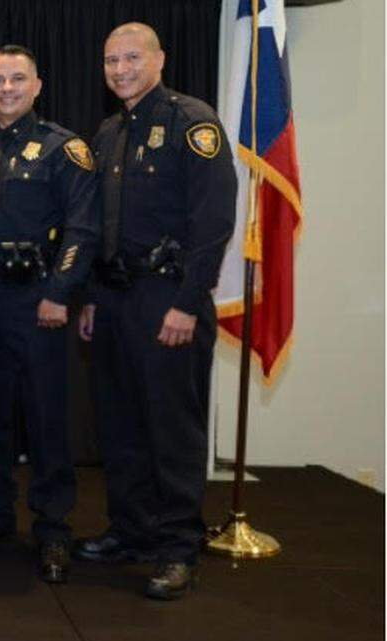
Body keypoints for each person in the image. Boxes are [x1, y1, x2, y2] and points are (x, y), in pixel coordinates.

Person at [74, 22, 236, 600]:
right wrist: (92, 296)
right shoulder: (109, 132)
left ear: (159, 59)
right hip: (116, 298)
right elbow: (98, 225)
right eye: (111, 60)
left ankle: (177, 548)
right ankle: (132, 530)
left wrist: (188, 304)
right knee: (120, 425)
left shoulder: (192, 122)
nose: (120, 70)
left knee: (171, 429)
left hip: (168, 298)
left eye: (131, 58)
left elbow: (213, 221)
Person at [0, 45, 100, 584]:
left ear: (37, 85)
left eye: (17, 79)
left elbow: (83, 229)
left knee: (45, 418)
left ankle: (53, 528)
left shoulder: (63, 149)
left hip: (37, 301)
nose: (6, 88)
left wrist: (59, 292)